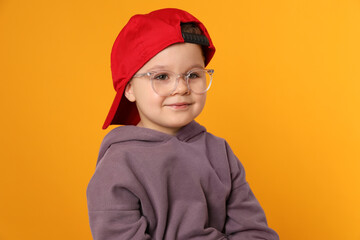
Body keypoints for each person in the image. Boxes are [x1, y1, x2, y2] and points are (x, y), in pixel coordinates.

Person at [87, 8, 279, 240]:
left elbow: (255, 232)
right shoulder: (119, 164)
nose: (181, 88)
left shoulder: (220, 152)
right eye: (161, 77)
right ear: (129, 89)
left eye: (193, 75)